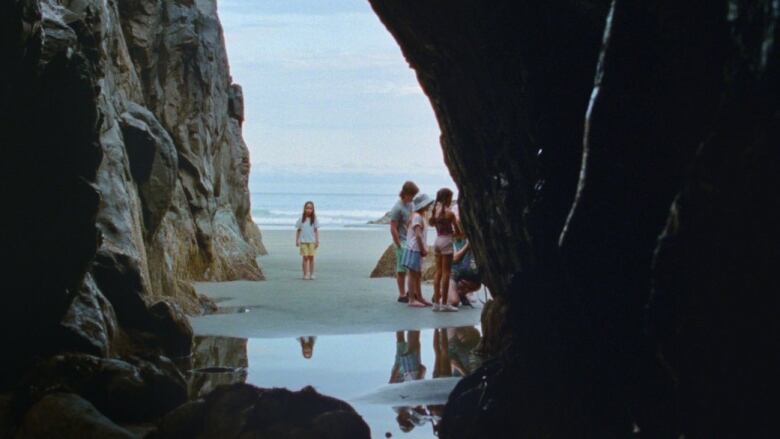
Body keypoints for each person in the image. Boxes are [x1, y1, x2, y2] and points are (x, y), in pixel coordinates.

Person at [429, 188, 460, 312]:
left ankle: (436, 303)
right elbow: (457, 231)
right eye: (450, 198)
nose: (451, 200)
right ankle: (445, 304)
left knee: (438, 272)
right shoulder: (450, 214)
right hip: (447, 242)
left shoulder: (435, 211)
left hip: (437, 241)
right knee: (447, 273)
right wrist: (458, 233)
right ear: (447, 198)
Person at [401, 193, 434, 307]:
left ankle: (419, 296)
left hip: (415, 248)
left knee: (417, 273)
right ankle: (411, 299)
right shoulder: (417, 217)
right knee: (412, 273)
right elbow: (418, 235)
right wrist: (423, 249)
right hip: (414, 249)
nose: (429, 206)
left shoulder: (419, 216)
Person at [389, 181, 419, 302]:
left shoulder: (410, 205)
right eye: (411, 195)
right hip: (402, 241)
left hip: (410, 240)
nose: (413, 198)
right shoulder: (397, 207)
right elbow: (393, 227)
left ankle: (411, 291)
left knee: (413, 269)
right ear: (405, 193)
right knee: (401, 269)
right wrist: (398, 244)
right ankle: (402, 294)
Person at [295, 201, 319, 280]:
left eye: (310, 208)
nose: (309, 210)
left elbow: (316, 230)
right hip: (303, 241)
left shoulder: (314, 219)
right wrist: (297, 240)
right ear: (304, 209)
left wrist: (317, 241)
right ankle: (305, 273)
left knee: (311, 257)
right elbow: (298, 230)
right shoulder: (301, 219)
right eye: (307, 208)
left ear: (313, 209)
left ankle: (312, 273)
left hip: (312, 241)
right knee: (305, 257)